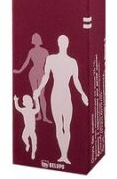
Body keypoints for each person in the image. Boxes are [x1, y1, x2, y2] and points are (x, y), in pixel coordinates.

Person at [34, 35, 88, 164]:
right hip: (55, 95)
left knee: (67, 126)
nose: (63, 44)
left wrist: (82, 93)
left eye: (65, 42)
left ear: (67, 44)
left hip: (66, 96)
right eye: (61, 42)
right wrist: (39, 89)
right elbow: (46, 76)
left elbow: (76, 81)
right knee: (59, 126)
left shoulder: (72, 62)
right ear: (58, 43)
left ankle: (65, 155)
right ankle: (62, 155)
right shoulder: (51, 59)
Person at [13, 33, 52, 123]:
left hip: (40, 73)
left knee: (40, 95)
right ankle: (40, 115)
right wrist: (19, 71)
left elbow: (49, 64)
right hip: (35, 73)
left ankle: (43, 116)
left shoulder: (43, 51)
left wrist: (19, 71)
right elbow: (26, 63)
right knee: (37, 95)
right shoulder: (39, 51)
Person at [14, 93, 40, 160]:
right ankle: (27, 144)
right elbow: (17, 108)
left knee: (34, 142)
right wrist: (16, 101)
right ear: (24, 103)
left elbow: (38, 109)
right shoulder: (24, 110)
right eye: (27, 102)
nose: (29, 103)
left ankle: (33, 153)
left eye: (30, 101)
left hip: (32, 130)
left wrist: (36, 100)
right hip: (26, 129)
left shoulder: (33, 111)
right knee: (23, 137)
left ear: (32, 103)